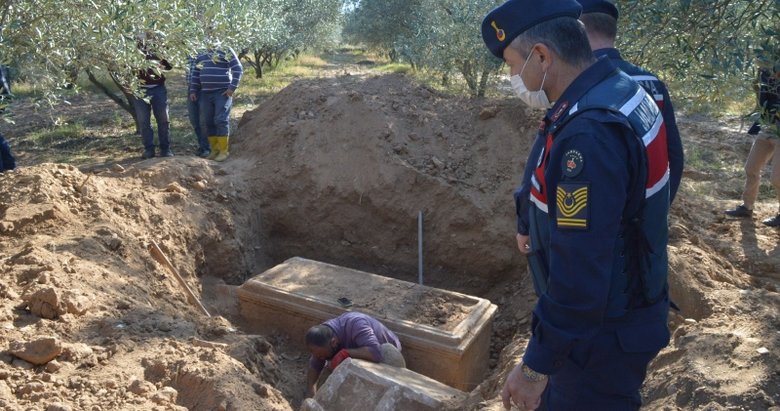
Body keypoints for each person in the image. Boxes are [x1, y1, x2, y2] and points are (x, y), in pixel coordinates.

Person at [481, 0, 671, 409]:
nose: (514, 76)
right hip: (628, 311)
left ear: (543, 56)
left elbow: (580, 275)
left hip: (600, 336)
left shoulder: (588, 136)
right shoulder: (621, 90)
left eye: (513, 64)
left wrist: (534, 368)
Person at [578, 0, 684, 204]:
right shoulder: (652, 82)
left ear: (577, 32)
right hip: (645, 208)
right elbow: (673, 154)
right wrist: (660, 207)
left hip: (598, 211)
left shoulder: (577, 83)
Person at [724, 65, 780, 227]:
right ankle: (747, 207)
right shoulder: (765, 71)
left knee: (777, 178)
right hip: (767, 126)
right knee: (751, 168)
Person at [304, 311, 405, 398]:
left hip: (387, 356)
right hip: (363, 352)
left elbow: (375, 353)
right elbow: (315, 365)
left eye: (321, 355)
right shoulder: (323, 337)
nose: (319, 358)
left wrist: (344, 353)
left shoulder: (356, 324)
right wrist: (310, 393)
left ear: (333, 342)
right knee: (330, 370)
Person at [189, 43, 243, 162]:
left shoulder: (226, 49)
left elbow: (238, 69)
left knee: (221, 119)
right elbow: (196, 73)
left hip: (222, 92)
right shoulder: (201, 52)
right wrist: (193, 90)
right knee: (208, 121)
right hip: (205, 93)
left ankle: (224, 151)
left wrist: (232, 88)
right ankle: (214, 150)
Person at [134, 33, 173, 159]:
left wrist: (162, 65)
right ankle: (149, 150)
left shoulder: (159, 48)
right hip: (140, 90)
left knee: (163, 119)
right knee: (143, 121)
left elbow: (169, 65)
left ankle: (165, 149)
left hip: (158, 89)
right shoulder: (132, 48)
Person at [186, 52, 209, 158]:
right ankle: (202, 145)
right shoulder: (187, 49)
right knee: (194, 119)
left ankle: (207, 148)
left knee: (204, 120)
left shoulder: (206, 48)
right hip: (191, 87)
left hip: (205, 87)